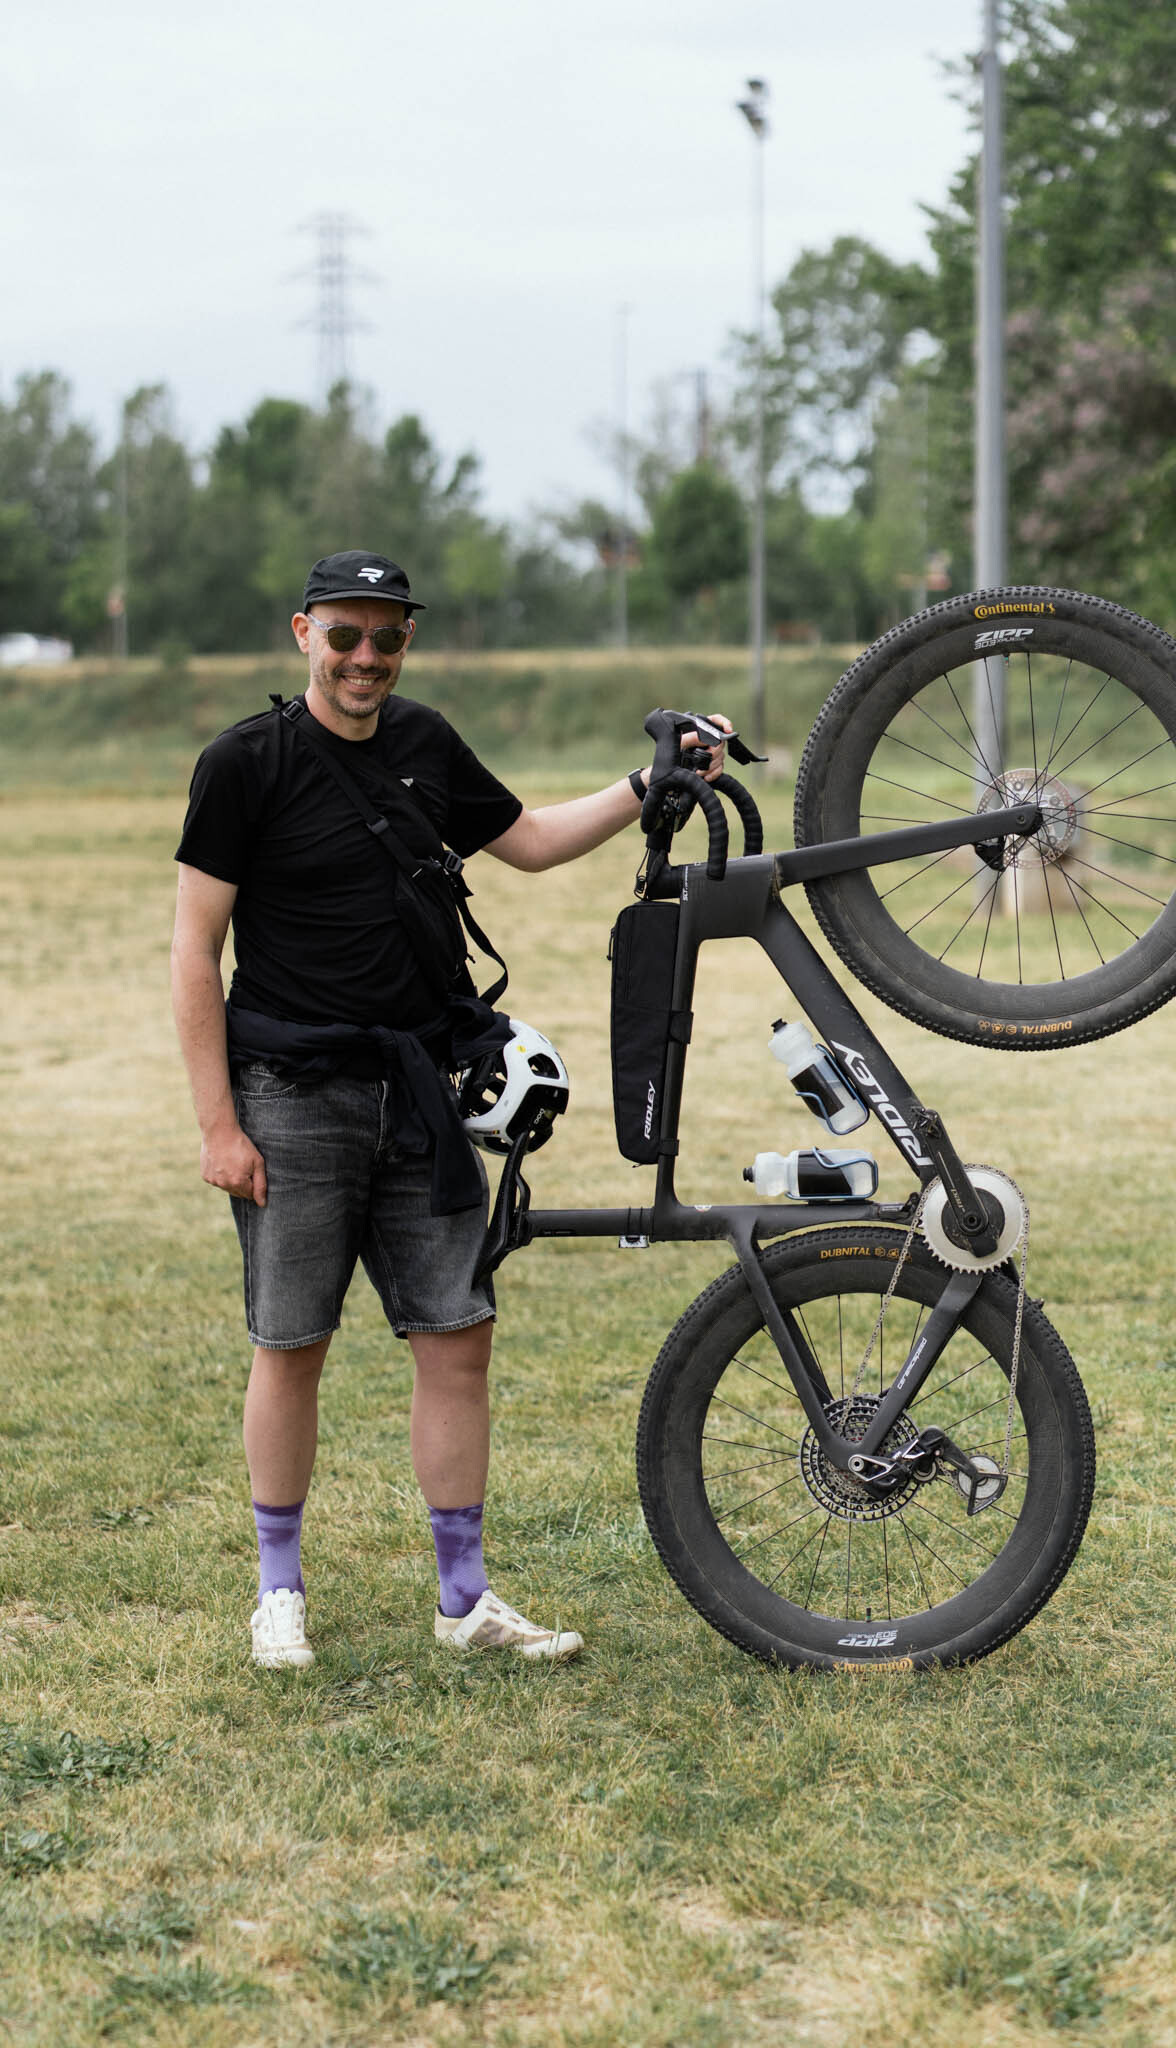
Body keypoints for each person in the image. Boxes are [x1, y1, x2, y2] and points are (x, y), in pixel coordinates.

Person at [171, 550, 728, 1671]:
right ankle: (277, 1589)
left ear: (406, 642)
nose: (366, 657)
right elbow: (195, 948)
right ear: (302, 633)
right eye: (346, 635)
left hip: (420, 1094)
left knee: (458, 1338)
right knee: (291, 1343)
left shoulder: (426, 744)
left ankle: (465, 1596)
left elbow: (525, 840)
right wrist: (219, 1127)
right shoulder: (246, 762)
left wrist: (649, 781)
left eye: (387, 636)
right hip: (292, 1094)